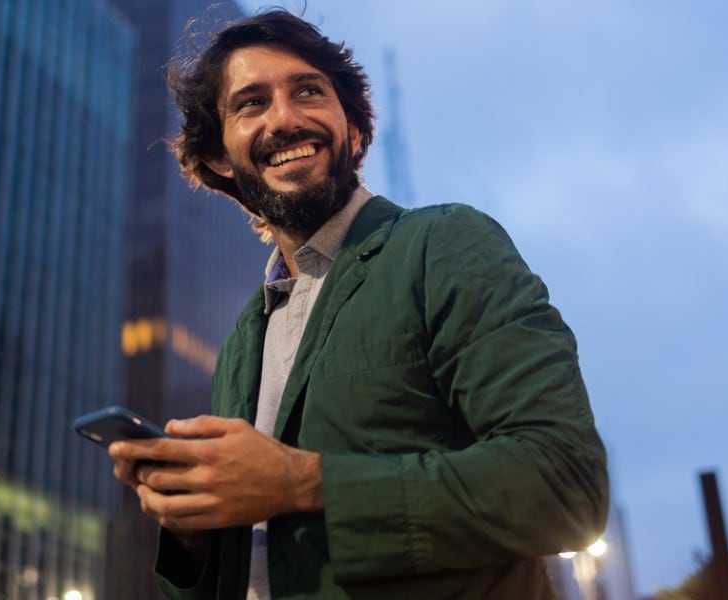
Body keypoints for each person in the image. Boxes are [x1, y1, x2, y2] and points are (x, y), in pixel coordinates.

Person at [108, 9, 609, 599]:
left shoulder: (444, 243)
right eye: (251, 103)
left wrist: (302, 483)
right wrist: (195, 533)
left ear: (354, 129)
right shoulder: (243, 340)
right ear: (219, 155)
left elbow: (566, 487)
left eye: (309, 91)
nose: (286, 119)